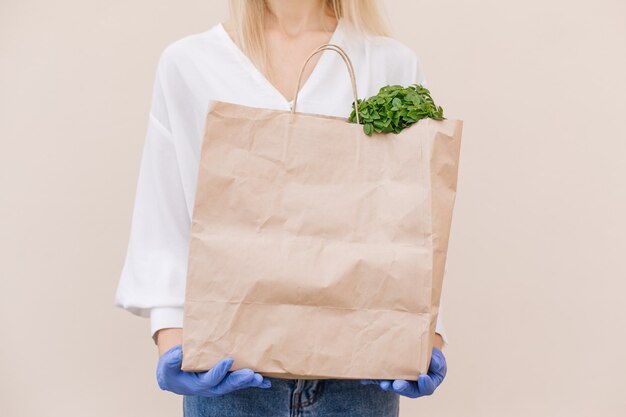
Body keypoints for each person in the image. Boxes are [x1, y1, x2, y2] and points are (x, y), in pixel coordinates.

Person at [114, 0, 449, 415]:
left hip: (358, 384)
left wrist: (423, 338)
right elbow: (163, 217)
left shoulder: (389, 64)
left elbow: (413, 225)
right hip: (228, 381)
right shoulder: (189, 63)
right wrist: (171, 340)